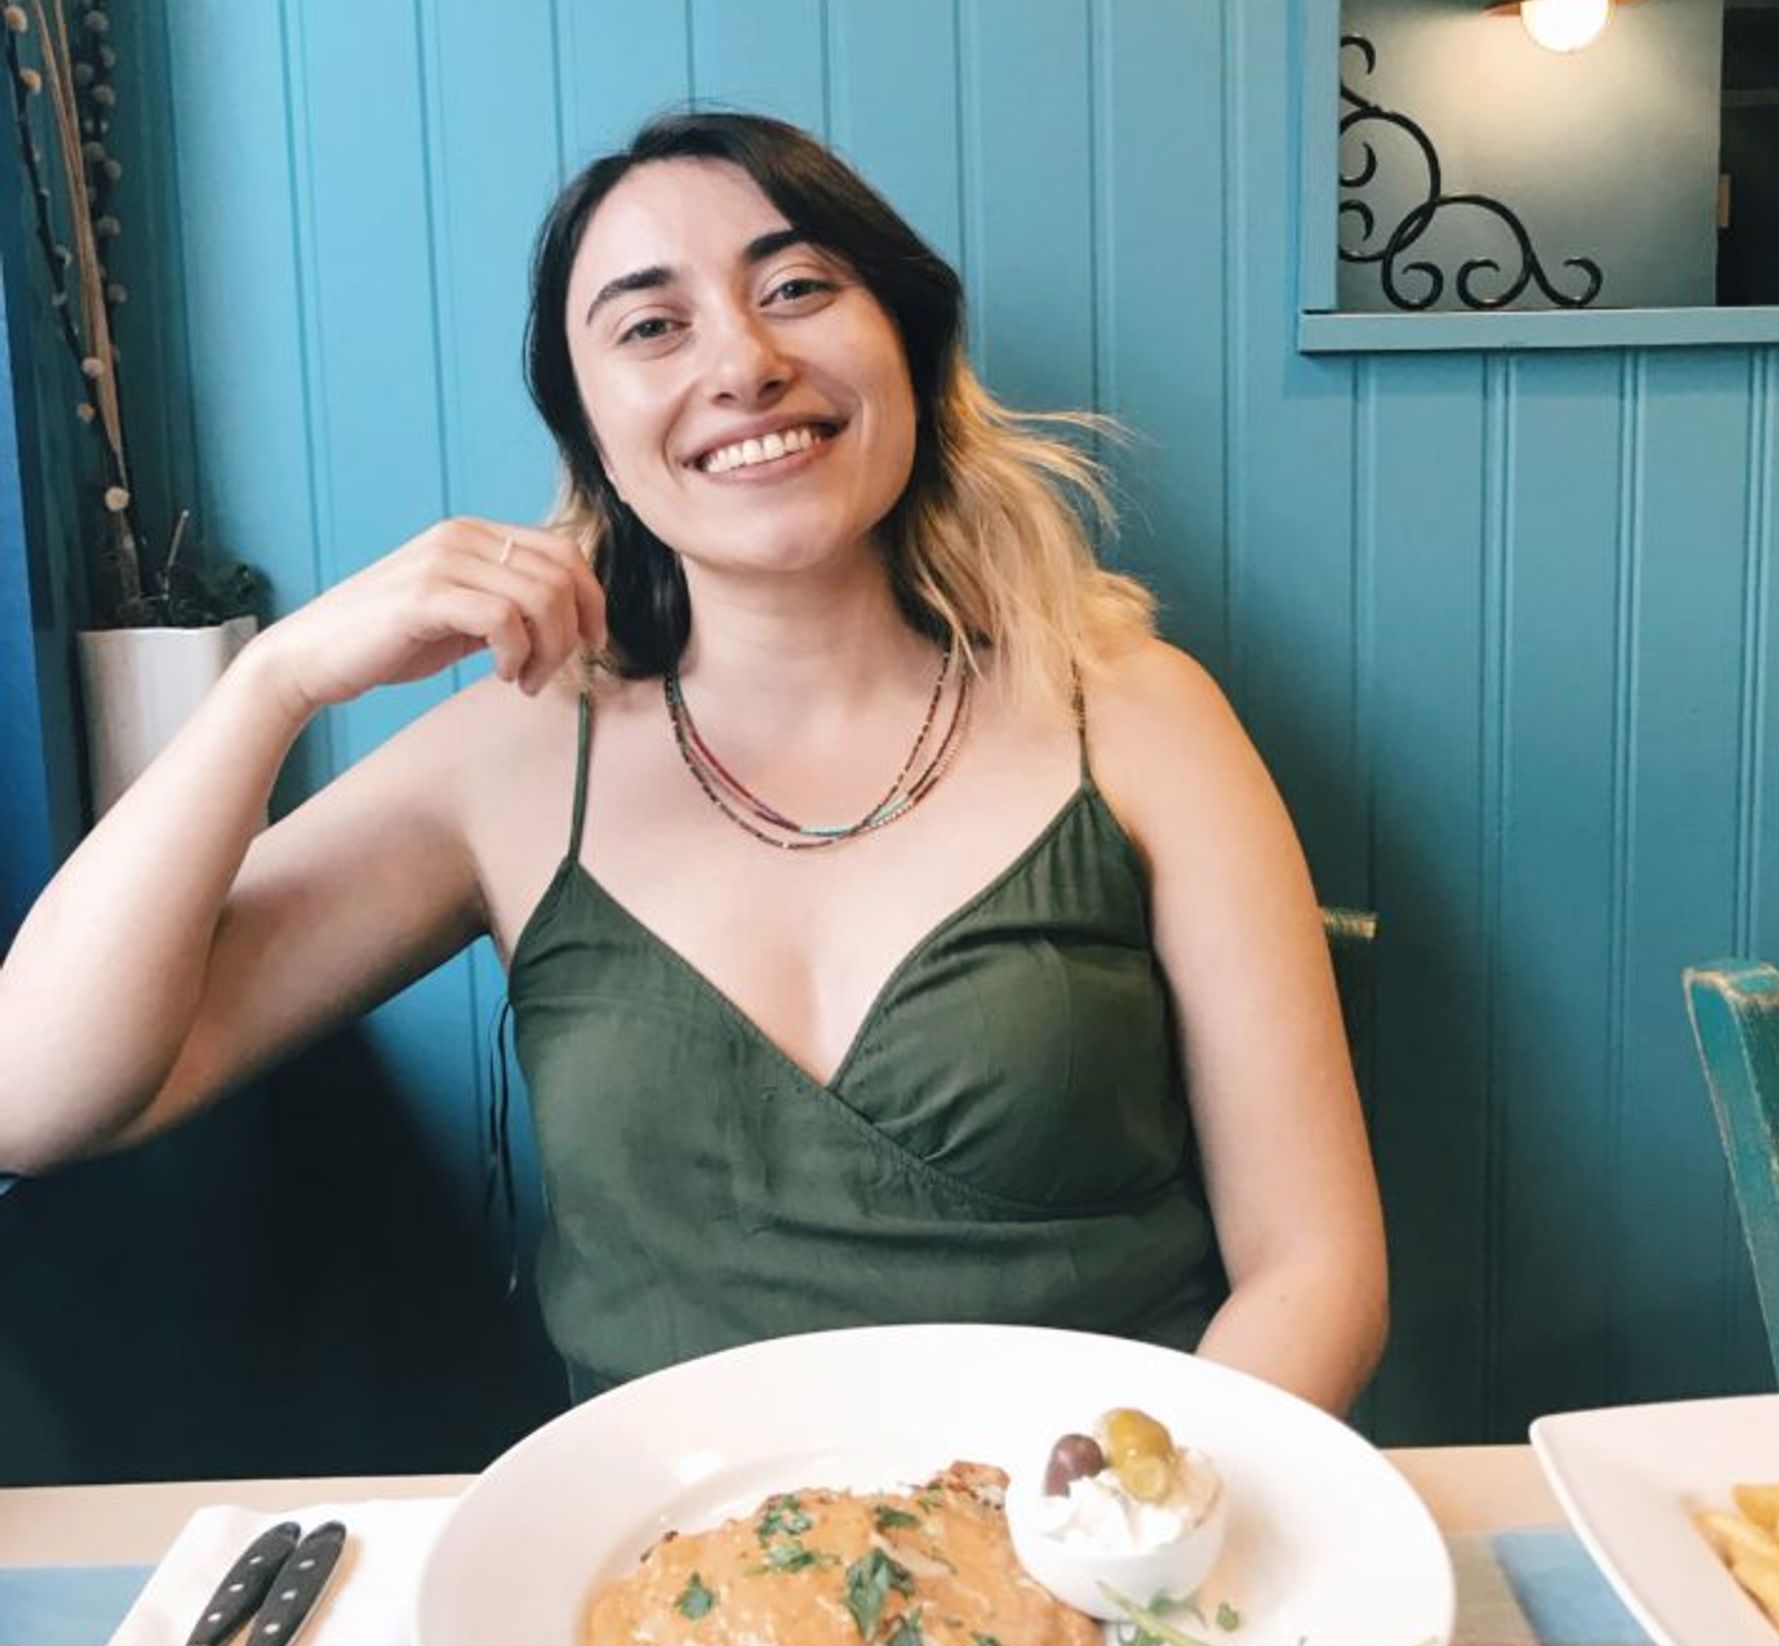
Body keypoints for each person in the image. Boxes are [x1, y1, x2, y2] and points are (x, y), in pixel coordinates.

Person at [0, 111, 1387, 1413]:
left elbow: (1315, 1268)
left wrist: (1123, 1547)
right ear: (592, 429)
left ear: (910, 344)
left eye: (796, 290)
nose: (743, 364)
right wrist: (272, 684)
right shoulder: (511, 762)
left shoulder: (1137, 713)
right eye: (654, 325)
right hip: (673, 1608)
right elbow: (28, 1097)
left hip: (1107, 1581)